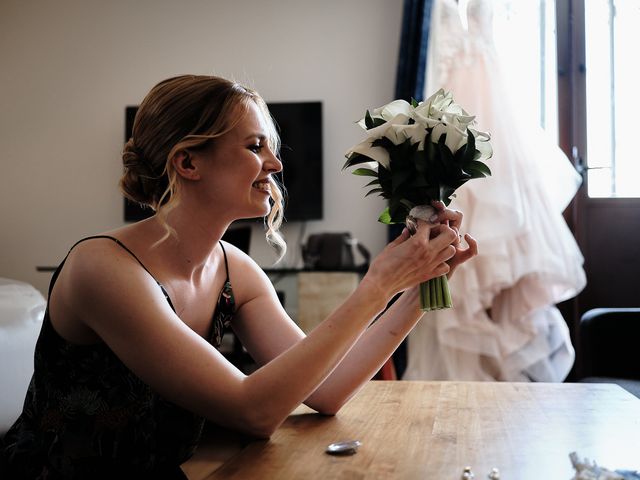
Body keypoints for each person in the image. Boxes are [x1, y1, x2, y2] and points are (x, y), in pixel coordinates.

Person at [0, 74, 477, 478]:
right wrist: (376, 286)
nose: (276, 163)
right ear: (188, 163)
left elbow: (326, 391)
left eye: (271, 147)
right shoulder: (102, 269)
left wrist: (418, 288)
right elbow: (254, 411)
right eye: (255, 146)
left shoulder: (235, 271)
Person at [403, 0, 586, 382]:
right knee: (461, 263)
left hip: (495, 122)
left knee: (502, 263)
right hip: (451, 116)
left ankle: (509, 388)